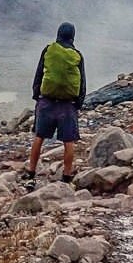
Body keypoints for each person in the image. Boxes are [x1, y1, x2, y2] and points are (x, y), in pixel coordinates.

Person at [23, 21, 86, 190]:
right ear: (72, 36)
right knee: (69, 141)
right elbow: (82, 82)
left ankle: (30, 173)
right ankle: (66, 177)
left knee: (39, 137)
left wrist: (37, 95)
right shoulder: (77, 55)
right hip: (67, 105)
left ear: (58, 34)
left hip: (47, 101)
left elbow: (39, 73)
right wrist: (78, 103)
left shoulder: (49, 49)